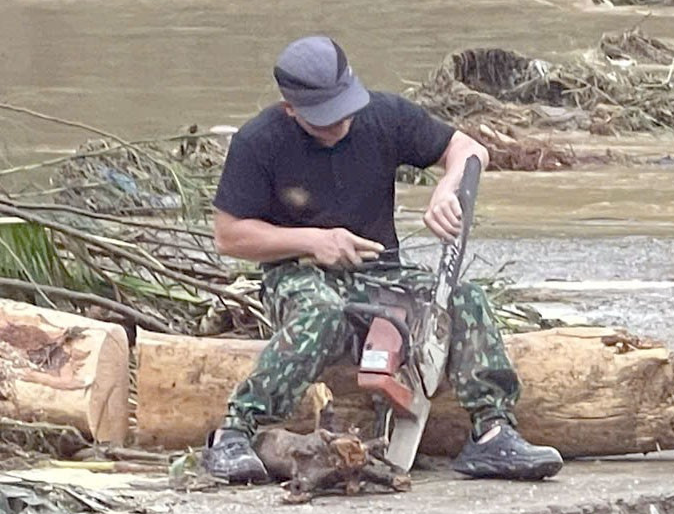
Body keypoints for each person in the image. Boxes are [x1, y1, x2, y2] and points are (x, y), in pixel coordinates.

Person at [200, 36, 562, 484]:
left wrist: (449, 185)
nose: (340, 126)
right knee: (322, 312)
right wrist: (313, 241)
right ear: (291, 109)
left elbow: (470, 150)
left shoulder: (384, 116)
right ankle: (235, 432)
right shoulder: (260, 142)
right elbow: (229, 236)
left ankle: (492, 431)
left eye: (346, 111)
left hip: (380, 273)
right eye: (326, 120)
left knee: (464, 297)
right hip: (299, 274)